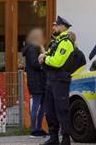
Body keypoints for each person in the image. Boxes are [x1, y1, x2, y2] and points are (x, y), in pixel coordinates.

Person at [38, 16, 75, 145]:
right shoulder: (56, 42)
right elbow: (51, 55)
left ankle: (66, 139)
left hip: (60, 81)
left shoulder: (66, 43)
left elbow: (58, 62)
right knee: (50, 111)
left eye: (55, 25)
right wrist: (45, 55)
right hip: (51, 80)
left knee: (62, 111)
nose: (53, 27)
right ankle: (54, 138)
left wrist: (44, 58)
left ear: (62, 27)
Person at [22, 28, 47, 138]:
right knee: (36, 106)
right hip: (36, 81)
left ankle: (39, 128)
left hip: (40, 81)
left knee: (42, 106)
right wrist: (43, 59)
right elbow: (35, 64)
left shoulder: (35, 48)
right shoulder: (32, 48)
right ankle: (34, 130)